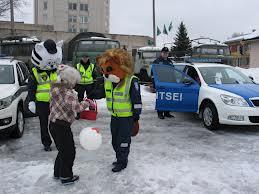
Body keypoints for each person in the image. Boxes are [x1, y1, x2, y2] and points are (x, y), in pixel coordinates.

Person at [98, 49, 142, 172]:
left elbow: (136, 100)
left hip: (126, 118)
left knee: (123, 141)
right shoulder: (109, 81)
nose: (106, 74)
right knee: (115, 141)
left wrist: (135, 117)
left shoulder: (131, 81)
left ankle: (122, 162)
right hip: (115, 116)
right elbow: (101, 93)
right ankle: (119, 157)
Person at [49, 64, 94, 185]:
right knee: (69, 152)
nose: (75, 84)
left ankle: (58, 172)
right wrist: (87, 102)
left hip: (53, 124)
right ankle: (66, 176)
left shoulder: (55, 88)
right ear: (70, 80)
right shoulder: (68, 92)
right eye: (74, 81)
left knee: (62, 150)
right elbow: (77, 107)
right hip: (61, 126)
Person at [28, 39, 63, 151]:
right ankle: (46, 143)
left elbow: (63, 85)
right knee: (43, 124)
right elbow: (31, 89)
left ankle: (58, 140)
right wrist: (31, 101)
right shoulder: (34, 72)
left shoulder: (57, 71)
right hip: (42, 103)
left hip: (55, 102)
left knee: (56, 124)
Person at [152, 47, 175, 119]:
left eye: (167, 53)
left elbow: (173, 73)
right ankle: (160, 113)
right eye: (164, 53)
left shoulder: (170, 62)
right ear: (161, 53)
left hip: (169, 83)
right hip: (161, 84)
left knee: (168, 98)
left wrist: (174, 83)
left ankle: (167, 112)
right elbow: (153, 74)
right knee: (161, 99)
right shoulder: (157, 61)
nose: (165, 54)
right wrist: (155, 84)